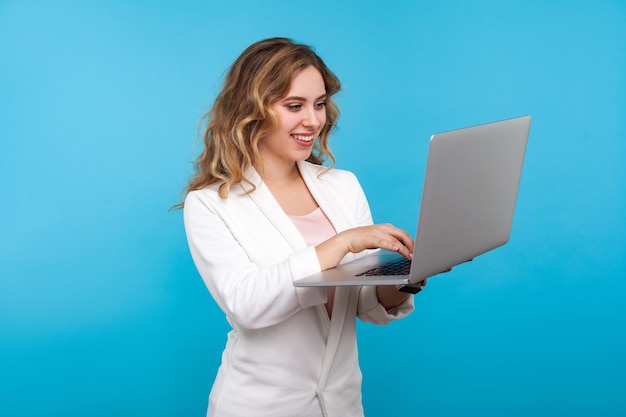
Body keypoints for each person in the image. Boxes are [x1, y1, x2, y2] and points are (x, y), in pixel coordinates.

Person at [181, 37, 421, 417]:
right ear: (252, 110)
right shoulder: (211, 204)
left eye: (320, 103)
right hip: (259, 406)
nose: (313, 120)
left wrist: (407, 278)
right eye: (294, 105)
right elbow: (247, 305)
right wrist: (340, 243)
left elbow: (362, 303)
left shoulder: (343, 186)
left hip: (341, 402)